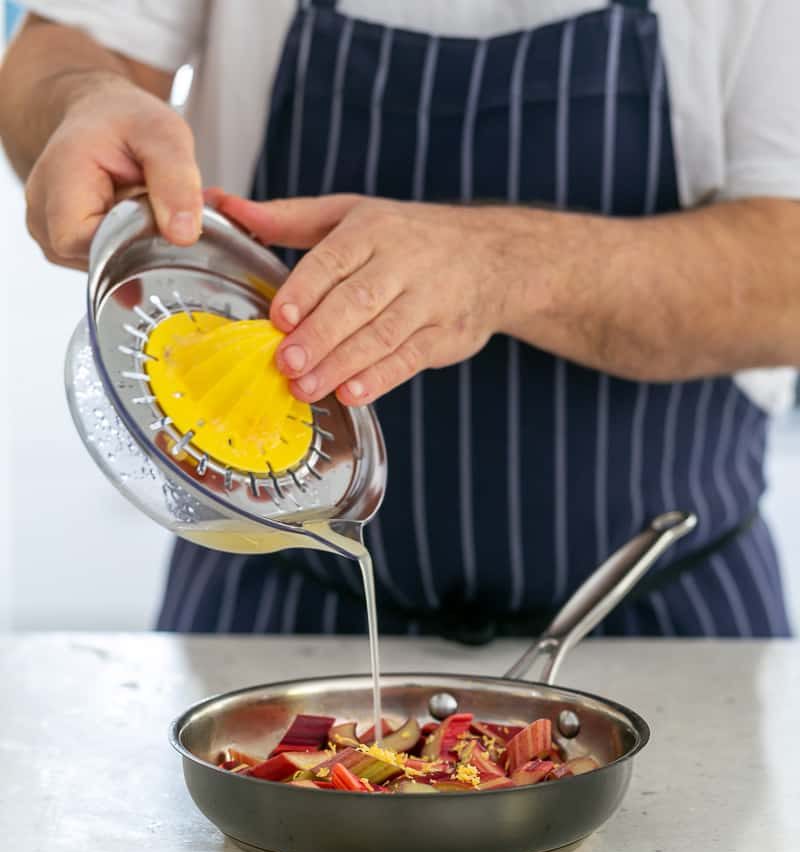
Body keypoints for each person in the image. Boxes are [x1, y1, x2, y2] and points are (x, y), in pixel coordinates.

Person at [2, 0, 799, 640]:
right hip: (271, 607)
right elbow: (64, 45)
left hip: (667, 623)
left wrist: (505, 261)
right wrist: (81, 99)